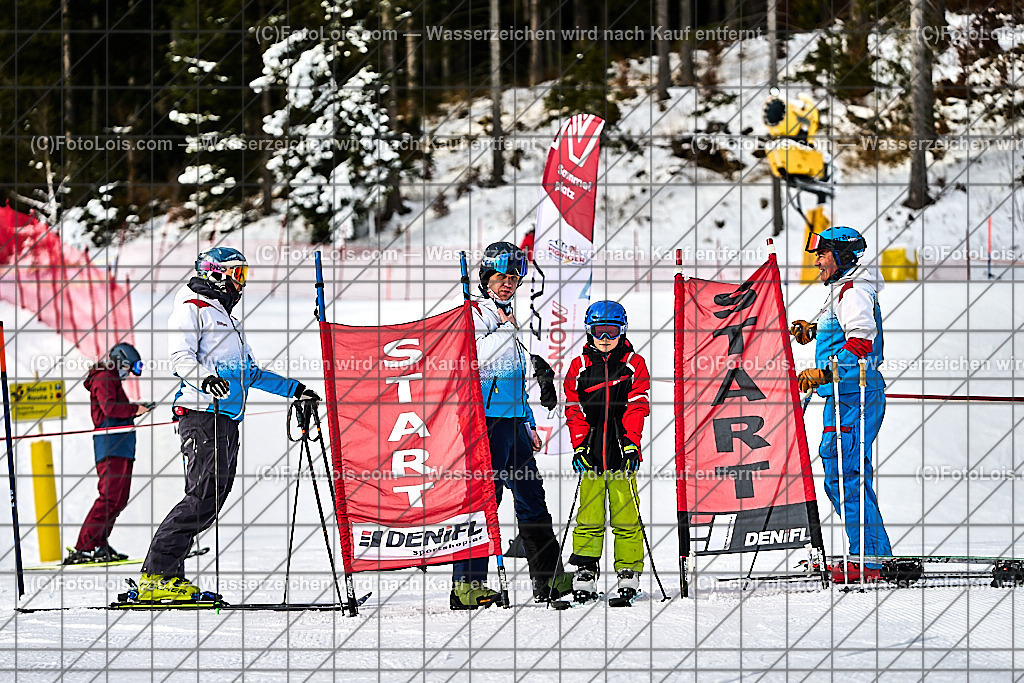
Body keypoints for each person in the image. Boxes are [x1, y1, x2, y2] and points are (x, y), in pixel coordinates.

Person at [138, 247, 319, 602]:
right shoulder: (192, 307)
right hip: (202, 413)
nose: (241, 284)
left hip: (226, 419)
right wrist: (205, 379)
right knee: (203, 497)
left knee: (210, 497)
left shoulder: (227, 319)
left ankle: (167, 576)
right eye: (237, 274)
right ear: (215, 274)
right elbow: (180, 358)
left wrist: (295, 390)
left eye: (244, 275)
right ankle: (157, 576)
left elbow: (250, 374)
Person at [450, 241, 572, 609]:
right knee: (486, 500)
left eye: (514, 278)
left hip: (514, 422)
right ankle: (467, 585)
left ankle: (549, 578)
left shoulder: (506, 315)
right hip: (485, 422)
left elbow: (514, 377)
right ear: (486, 278)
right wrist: (505, 331)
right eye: (501, 277)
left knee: (532, 498)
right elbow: (474, 357)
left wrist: (529, 421)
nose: (508, 284)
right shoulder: (474, 313)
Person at [790, 226, 892, 583]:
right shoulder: (843, 288)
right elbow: (843, 331)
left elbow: (861, 341)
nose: (817, 261)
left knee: (847, 475)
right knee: (839, 475)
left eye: (822, 254)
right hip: (842, 395)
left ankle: (871, 559)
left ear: (843, 256)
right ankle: (869, 553)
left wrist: (824, 372)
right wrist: (813, 331)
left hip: (855, 394)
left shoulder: (854, 290)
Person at [563, 301, 650, 604]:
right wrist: (579, 445)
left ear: (621, 331)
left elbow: (637, 405)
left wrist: (631, 442)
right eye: (599, 331)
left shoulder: (633, 363)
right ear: (589, 331)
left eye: (611, 331)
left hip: (621, 450)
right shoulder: (579, 366)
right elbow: (573, 409)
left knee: (626, 514)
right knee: (589, 514)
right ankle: (586, 569)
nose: (604, 338)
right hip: (591, 450)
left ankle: (628, 570)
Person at [64, 343, 153, 565]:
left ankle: (98, 543)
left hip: (122, 446)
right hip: (111, 444)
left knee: (118, 499)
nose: (127, 374)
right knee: (109, 498)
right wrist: (135, 409)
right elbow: (109, 408)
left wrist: (135, 409)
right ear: (120, 361)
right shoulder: (103, 377)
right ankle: (84, 547)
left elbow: (115, 408)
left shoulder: (111, 379)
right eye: (128, 368)